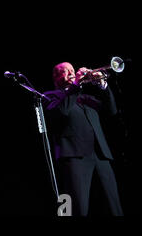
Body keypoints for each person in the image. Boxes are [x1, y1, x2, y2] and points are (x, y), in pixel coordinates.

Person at [44, 62, 124, 216]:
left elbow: (112, 110)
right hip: (74, 157)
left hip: (101, 155)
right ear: (56, 77)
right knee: (77, 207)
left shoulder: (85, 98)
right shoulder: (50, 96)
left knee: (114, 206)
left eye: (72, 70)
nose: (71, 73)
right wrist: (75, 85)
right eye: (65, 71)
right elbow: (61, 114)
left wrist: (102, 84)